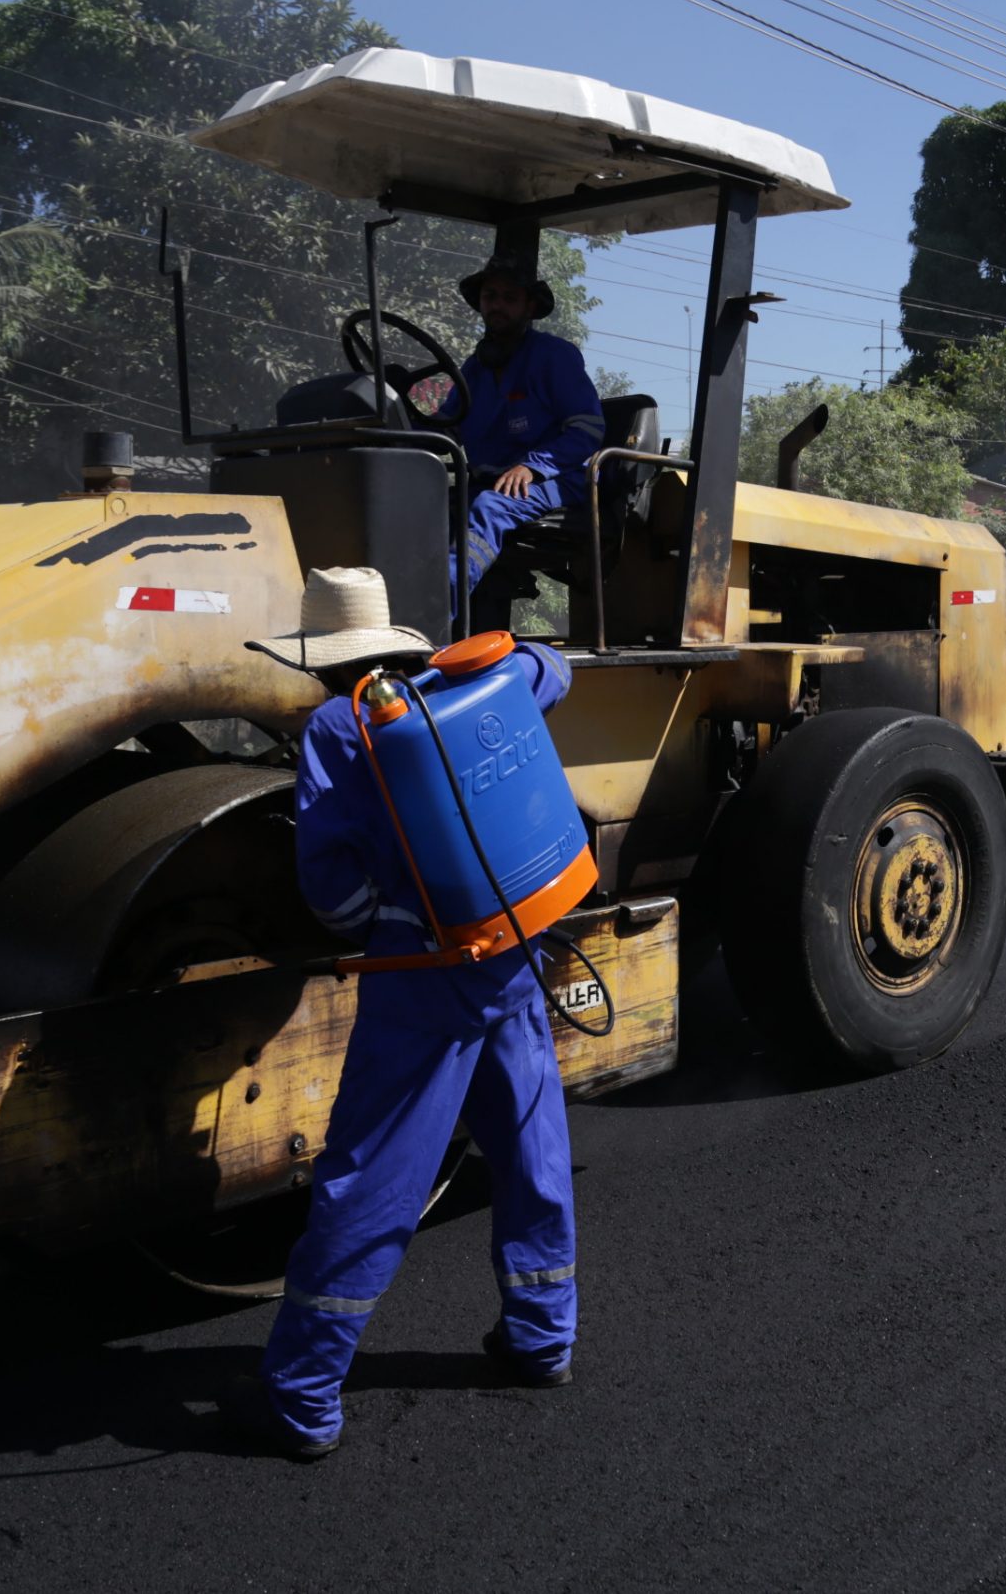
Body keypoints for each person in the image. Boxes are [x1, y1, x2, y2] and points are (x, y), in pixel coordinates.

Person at [223, 566, 580, 1461]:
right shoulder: (466, 686)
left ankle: (302, 1393)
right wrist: (492, 661)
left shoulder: (340, 725)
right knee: (529, 1142)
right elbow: (553, 670)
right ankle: (543, 1337)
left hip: (424, 971)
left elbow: (328, 878)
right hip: (513, 944)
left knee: (373, 1172)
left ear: (322, 660)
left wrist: (379, 930)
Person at [433, 254, 606, 605]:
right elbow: (447, 429)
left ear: (530, 307)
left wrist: (531, 466)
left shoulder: (554, 356)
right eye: (490, 296)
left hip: (558, 478)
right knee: (423, 505)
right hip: (492, 480)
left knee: (489, 507)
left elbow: (587, 430)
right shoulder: (475, 368)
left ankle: (431, 618)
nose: (497, 305)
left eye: (509, 298)